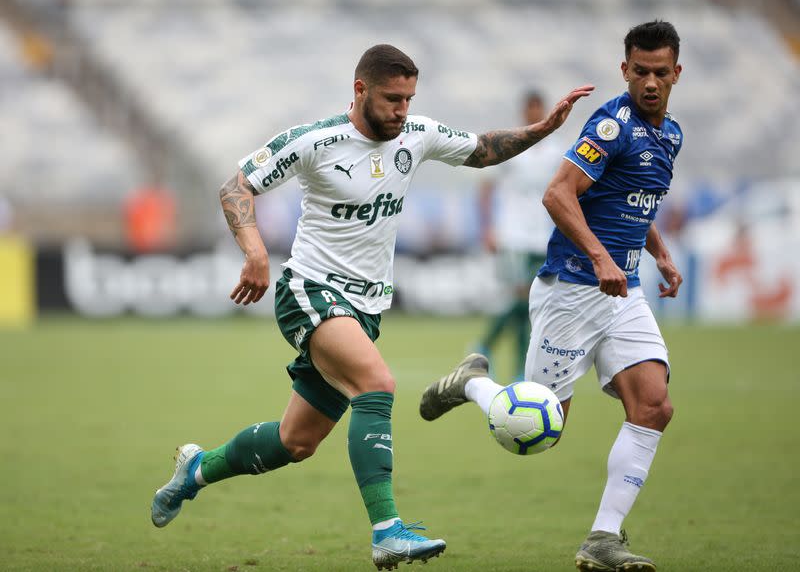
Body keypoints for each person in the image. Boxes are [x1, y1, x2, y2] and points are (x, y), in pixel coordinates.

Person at [150, 43, 593, 570]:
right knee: (378, 385)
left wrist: (544, 130)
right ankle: (387, 532)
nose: (401, 110)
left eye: (408, 99)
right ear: (360, 90)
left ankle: (196, 470)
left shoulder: (416, 134)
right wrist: (254, 251)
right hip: (310, 290)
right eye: (391, 99)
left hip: (364, 307)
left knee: (295, 442)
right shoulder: (316, 141)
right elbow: (236, 186)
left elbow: (483, 149)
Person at [420, 21, 683, 572]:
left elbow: (635, 202)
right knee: (541, 430)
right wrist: (600, 257)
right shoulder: (611, 125)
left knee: (654, 405)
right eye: (641, 71)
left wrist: (658, 251)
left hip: (625, 292)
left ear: (676, 73)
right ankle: (472, 383)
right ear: (625, 71)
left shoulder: (670, 135)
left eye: (661, 72)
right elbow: (558, 194)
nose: (651, 82)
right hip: (573, 289)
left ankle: (603, 539)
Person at [475, 90, 562, 379]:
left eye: (539, 109)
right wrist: (487, 228)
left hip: (543, 237)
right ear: (524, 112)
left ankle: (500, 356)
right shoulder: (511, 146)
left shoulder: (555, 152)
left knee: (531, 303)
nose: (535, 114)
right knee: (520, 298)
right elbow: (486, 188)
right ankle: (492, 349)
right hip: (512, 235)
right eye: (531, 109)